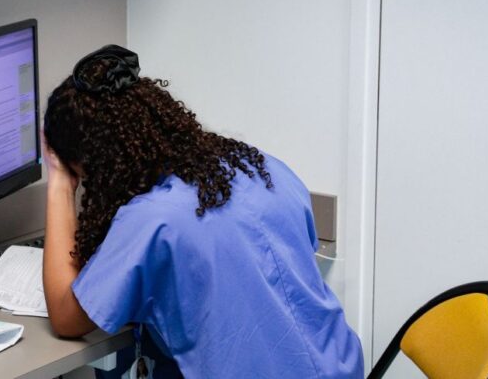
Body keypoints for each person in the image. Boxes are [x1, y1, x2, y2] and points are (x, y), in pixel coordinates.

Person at [41, 45, 364, 378]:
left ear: (100, 164)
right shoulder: (265, 169)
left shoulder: (153, 221)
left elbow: (67, 318)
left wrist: (60, 184)